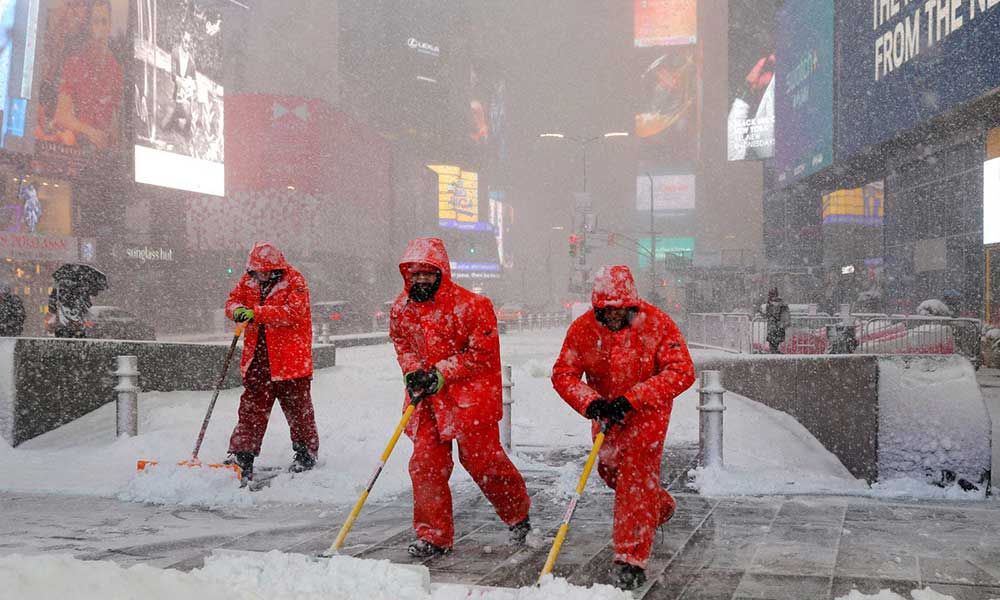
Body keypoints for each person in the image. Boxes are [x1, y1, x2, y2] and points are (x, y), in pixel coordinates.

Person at [551, 265, 695, 591]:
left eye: (621, 311)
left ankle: (630, 559)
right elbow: (563, 375)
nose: (614, 317)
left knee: (634, 478)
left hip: (647, 414)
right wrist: (591, 403)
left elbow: (682, 371)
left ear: (632, 305)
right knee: (610, 470)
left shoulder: (657, 324)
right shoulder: (582, 330)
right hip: (607, 415)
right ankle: (657, 505)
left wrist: (634, 398)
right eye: (607, 311)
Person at [389, 237, 531, 558]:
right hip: (425, 399)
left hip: (469, 399)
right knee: (425, 466)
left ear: (442, 273)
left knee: (483, 463)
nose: (421, 279)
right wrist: (412, 371)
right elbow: (403, 344)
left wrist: (442, 372)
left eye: (428, 272)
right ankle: (433, 535)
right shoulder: (401, 309)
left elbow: (482, 354)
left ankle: (517, 513)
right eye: (416, 273)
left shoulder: (473, 306)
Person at [223, 242, 318, 480]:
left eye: (266, 271)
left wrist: (255, 313)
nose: (261, 276)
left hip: (290, 361)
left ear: (277, 269)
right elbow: (232, 301)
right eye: (257, 272)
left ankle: (306, 453)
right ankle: (241, 454)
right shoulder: (248, 281)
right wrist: (236, 311)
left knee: (298, 411)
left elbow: (292, 313)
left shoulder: (295, 281)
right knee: (251, 410)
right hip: (259, 359)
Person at [52, 0, 123, 151]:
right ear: (88, 27)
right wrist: (90, 132)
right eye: (95, 22)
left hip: (103, 155)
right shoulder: (74, 64)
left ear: (110, 26)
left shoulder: (116, 70)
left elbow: (118, 124)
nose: (100, 29)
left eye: (104, 22)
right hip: (78, 150)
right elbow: (61, 115)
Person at [764, 287, 790, 354]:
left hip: (775, 326)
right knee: (774, 343)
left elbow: (770, 315)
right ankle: (775, 354)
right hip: (776, 326)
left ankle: (775, 355)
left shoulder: (775, 304)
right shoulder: (780, 303)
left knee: (773, 344)